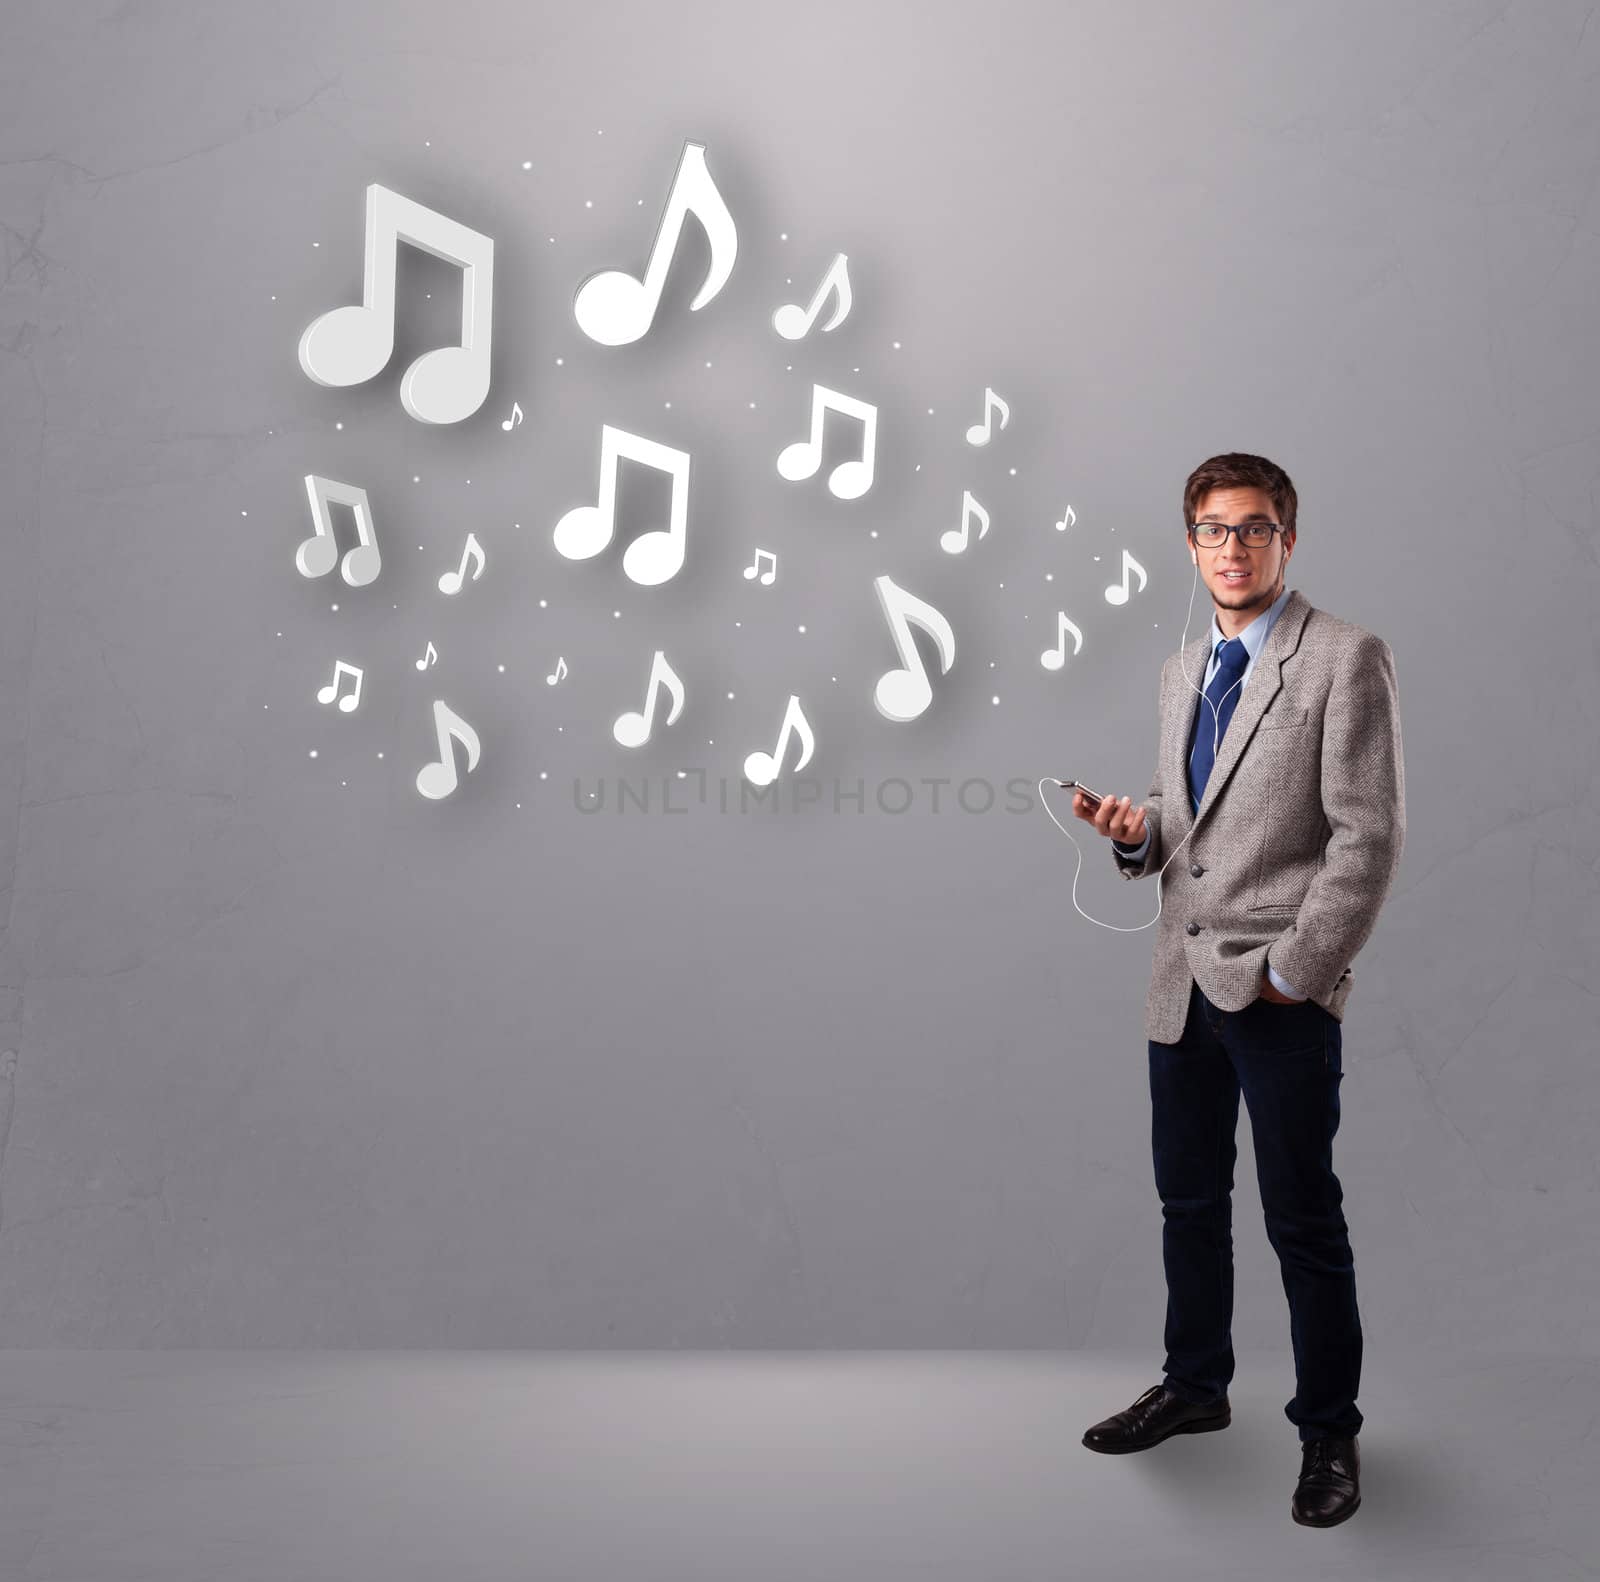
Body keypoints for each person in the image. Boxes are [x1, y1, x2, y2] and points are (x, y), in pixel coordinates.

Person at [1071, 453, 1405, 1530]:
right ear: (1190, 544)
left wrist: (1293, 974)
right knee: (1188, 1204)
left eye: (1254, 528)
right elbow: (1189, 820)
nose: (1232, 547)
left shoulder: (1344, 658)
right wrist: (1136, 838)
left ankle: (1327, 1432)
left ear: (1286, 540)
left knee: (1303, 1218)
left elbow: (1368, 836)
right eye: (1213, 530)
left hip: (1275, 995)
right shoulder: (1179, 670)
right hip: (1178, 985)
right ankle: (1196, 1384)